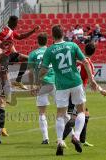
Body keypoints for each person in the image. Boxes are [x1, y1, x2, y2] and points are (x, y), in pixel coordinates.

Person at [39, 25, 98, 156]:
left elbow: (43, 69)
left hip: (61, 86)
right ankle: (76, 136)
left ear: (52, 36)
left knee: (60, 114)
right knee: (81, 111)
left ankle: (60, 141)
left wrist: (40, 77)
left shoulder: (49, 50)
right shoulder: (72, 45)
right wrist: (91, 79)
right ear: (63, 34)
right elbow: (86, 62)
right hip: (76, 82)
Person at [62, 42, 106, 147]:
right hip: (78, 91)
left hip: (69, 89)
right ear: (94, 53)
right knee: (74, 117)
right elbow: (92, 82)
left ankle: (82, 140)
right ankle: (61, 139)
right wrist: (101, 90)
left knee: (85, 114)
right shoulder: (89, 63)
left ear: (84, 50)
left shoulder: (77, 61)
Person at [0, 15, 40, 103]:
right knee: (4, 76)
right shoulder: (5, 32)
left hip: (11, 54)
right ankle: (4, 96)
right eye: (16, 23)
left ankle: (18, 81)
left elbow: (20, 36)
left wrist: (33, 31)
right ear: (12, 23)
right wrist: (2, 47)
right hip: (4, 56)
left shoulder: (11, 31)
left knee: (27, 59)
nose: (17, 24)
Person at [28, 33, 55, 144]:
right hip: (54, 81)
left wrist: (31, 86)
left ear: (37, 41)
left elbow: (30, 72)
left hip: (41, 84)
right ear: (47, 41)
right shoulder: (52, 51)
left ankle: (45, 138)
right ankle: (72, 134)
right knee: (63, 110)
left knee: (42, 112)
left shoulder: (33, 54)